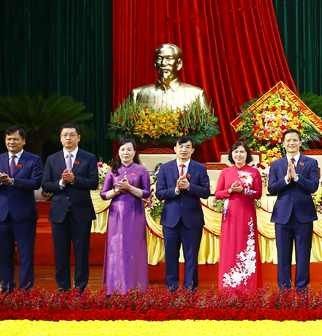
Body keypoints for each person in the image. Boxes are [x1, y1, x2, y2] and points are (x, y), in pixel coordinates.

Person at [0, 126, 43, 292]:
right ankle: (6, 287)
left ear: (23, 141)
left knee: (25, 255)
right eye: (8, 139)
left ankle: (25, 290)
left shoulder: (34, 160)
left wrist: (12, 181)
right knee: (4, 255)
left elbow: (35, 183)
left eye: (15, 139)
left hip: (24, 215)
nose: (11, 142)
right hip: (1, 216)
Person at [41, 123, 98, 293]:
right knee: (61, 254)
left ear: (78, 138)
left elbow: (93, 183)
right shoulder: (52, 159)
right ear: (60, 138)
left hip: (81, 212)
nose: (68, 138)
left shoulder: (89, 158)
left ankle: (80, 288)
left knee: (81, 253)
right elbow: (46, 185)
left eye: (72, 135)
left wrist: (74, 180)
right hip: (59, 213)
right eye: (65, 135)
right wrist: (61, 182)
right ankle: (63, 289)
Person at [156, 136, 210, 291]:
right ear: (175, 149)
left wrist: (189, 187)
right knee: (171, 256)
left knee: (191, 257)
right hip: (170, 220)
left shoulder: (200, 168)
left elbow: (205, 192)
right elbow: (159, 193)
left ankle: (189, 290)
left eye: (187, 147)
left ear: (192, 150)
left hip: (192, 221)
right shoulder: (165, 168)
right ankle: (171, 289)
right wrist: (176, 189)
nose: (183, 150)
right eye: (181, 147)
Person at [268, 129, 319, 291]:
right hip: (282, 216)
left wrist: (297, 177)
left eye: (295, 140)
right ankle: (284, 290)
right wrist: (286, 179)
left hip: (304, 215)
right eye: (288, 140)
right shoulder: (276, 164)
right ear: (283, 143)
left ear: (300, 143)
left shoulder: (311, 163)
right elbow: (271, 189)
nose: (291, 143)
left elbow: (313, 187)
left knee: (303, 254)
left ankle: (302, 289)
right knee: (283, 255)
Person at [99, 139, 151, 293]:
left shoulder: (141, 170)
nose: (125, 153)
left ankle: (136, 287)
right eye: (122, 149)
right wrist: (116, 190)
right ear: (118, 152)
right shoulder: (113, 170)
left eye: (129, 149)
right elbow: (103, 194)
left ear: (134, 152)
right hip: (116, 214)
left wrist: (129, 188)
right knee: (116, 247)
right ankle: (114, 287)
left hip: (135, 213)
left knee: (134, 248)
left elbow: (146, 193)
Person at [215, 141, 263, 292]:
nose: (238, 154)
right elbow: (218, 194)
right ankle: (228, 289)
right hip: (230, 214)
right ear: (231, 155)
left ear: (247, 154)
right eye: (235, 152)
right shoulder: (225, 172)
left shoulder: (254, 172)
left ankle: (248, 288)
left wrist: (243, 191)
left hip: (247, 214)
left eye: (242, 151)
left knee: (246, 246)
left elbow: (258, 193)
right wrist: (229, 191)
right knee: (229, 246)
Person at [130, 43, 209, 111]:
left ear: (179, 64)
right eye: (159, 58)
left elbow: (206, 123)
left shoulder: (196, 94)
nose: (163, 63)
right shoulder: (138, 94)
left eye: (169, 59)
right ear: (155, 63)